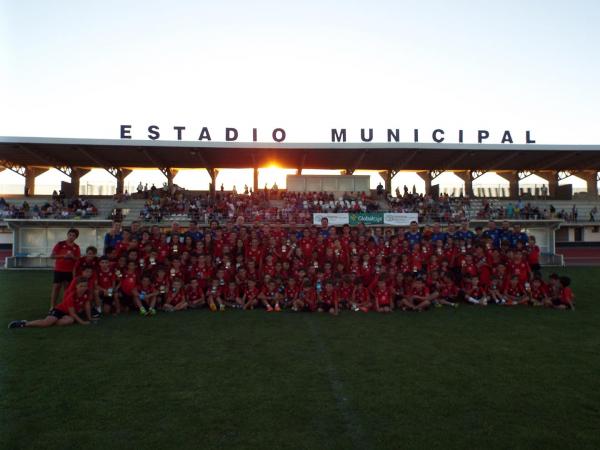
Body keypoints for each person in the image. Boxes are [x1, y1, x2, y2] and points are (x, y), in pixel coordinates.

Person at [9, 277, 92, 328]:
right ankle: (24, 323)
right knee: (46, 324)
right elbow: (73, 313)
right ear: (76, 286)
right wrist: (82, 322)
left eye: (85, 286)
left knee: (69, 321)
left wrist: (90, 318)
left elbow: (87, 305)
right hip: (59, 310)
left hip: (67, 314)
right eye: (81, 286)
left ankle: (52, 321)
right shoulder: (72, 296)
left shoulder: (87, 293)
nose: (84, 288)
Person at [50, 228, 81, 308]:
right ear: (67, 235)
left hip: (69, 271)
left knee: (67, 289)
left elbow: (78, 259)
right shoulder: (60, 244)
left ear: (76, 237)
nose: (71, 237)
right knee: (56, 288)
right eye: (70, 235)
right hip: (59, 270)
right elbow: (52, 256)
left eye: (73, 236)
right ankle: (52, 306)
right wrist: (63, 256)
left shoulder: (76, 247)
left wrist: (72, 257)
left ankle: (64, 306)